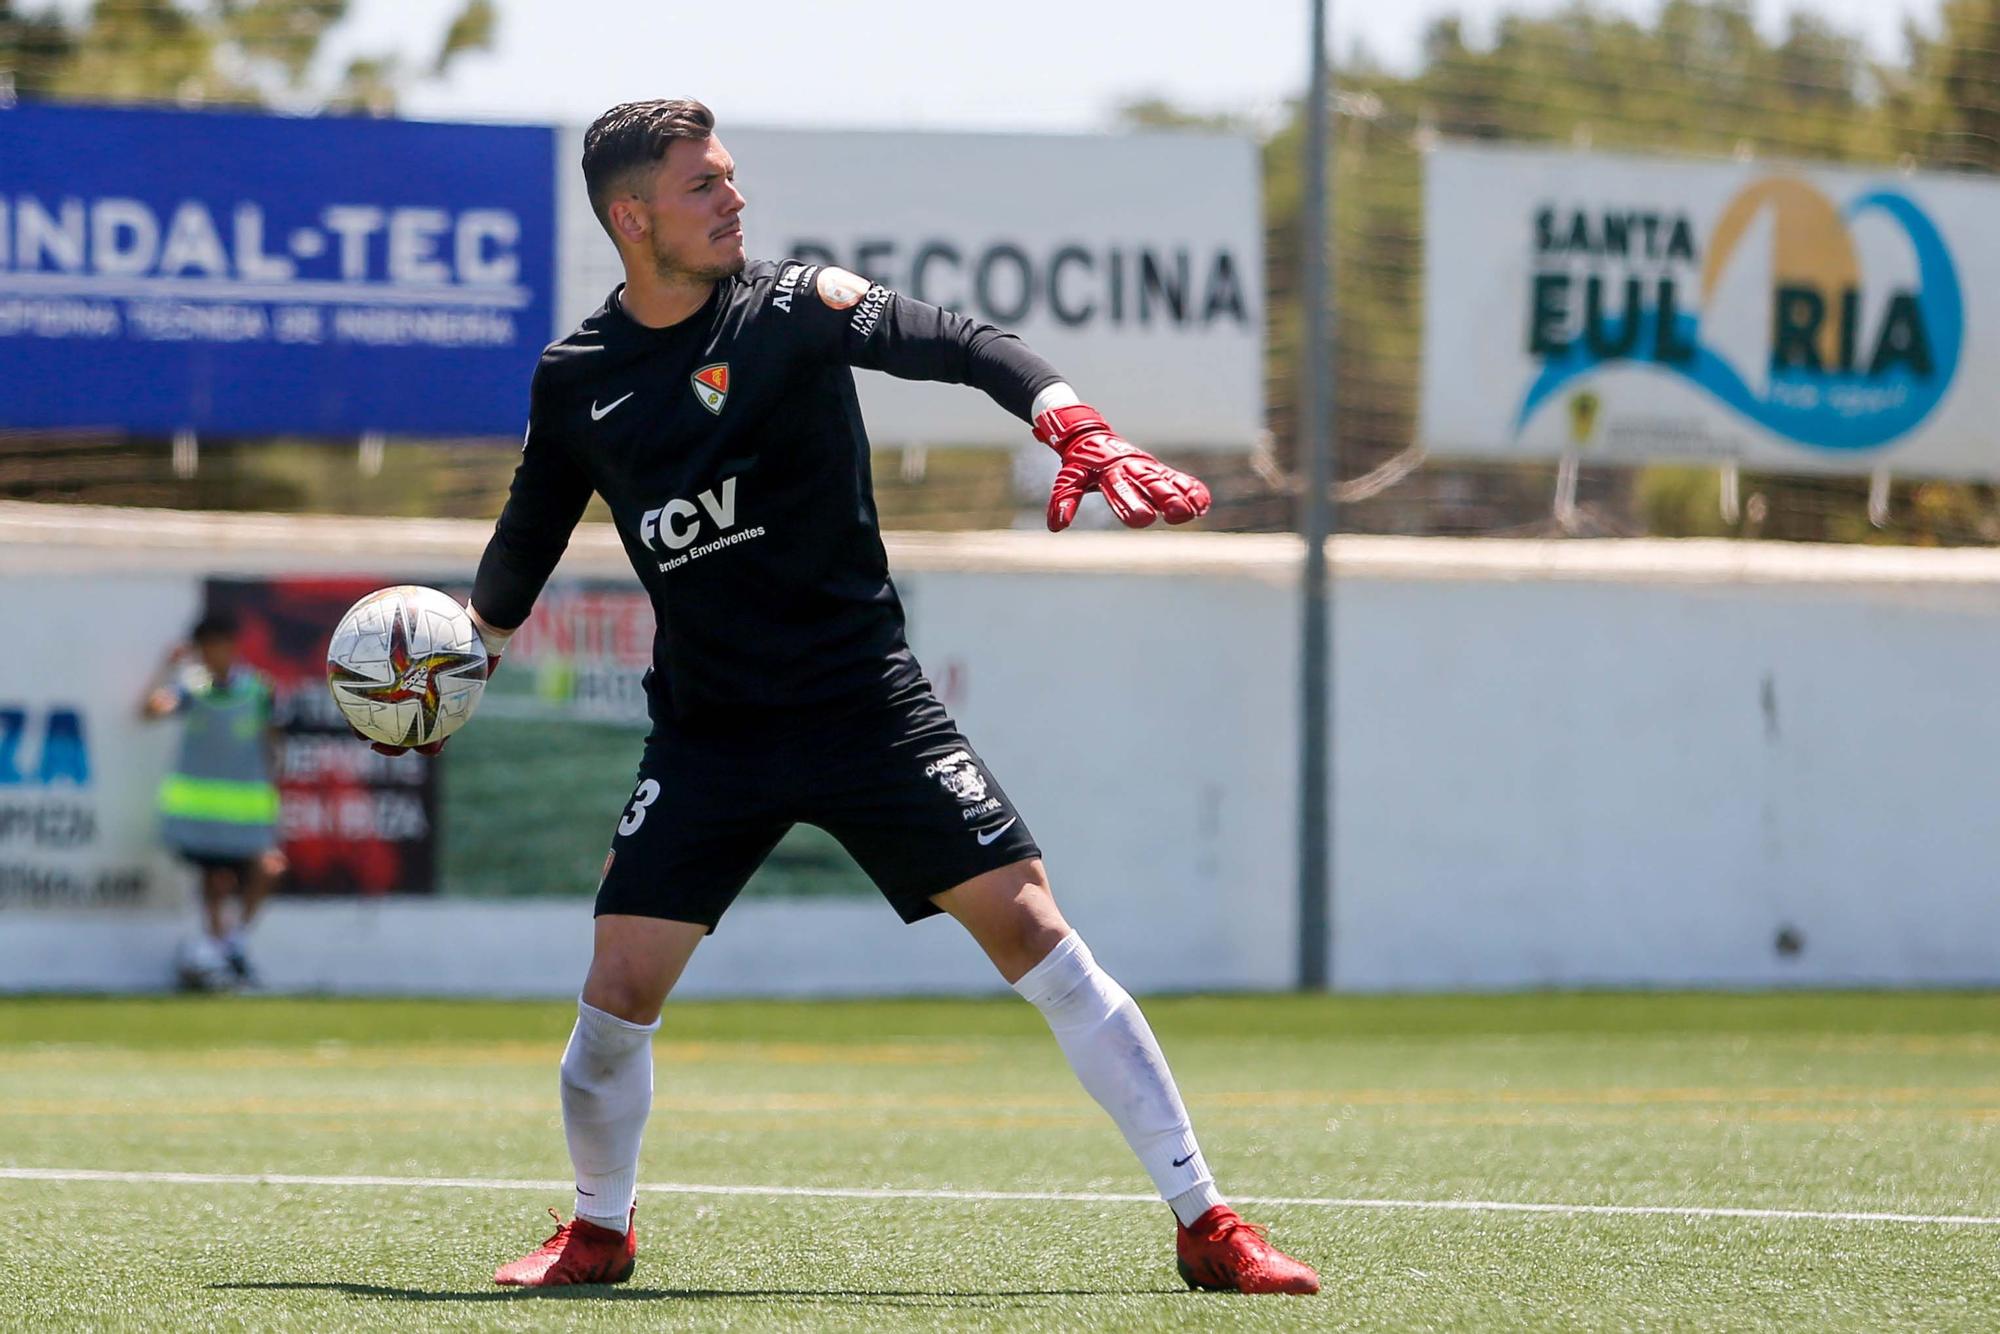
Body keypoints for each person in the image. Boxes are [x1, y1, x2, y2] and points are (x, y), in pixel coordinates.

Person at [370, 99, 1318, 1296]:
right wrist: (464, 654)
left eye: (730, 178)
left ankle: (1207, 1222)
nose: (733, 200)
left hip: (864, 707)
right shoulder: (578, 379)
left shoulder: (791, 308)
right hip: (709, 734)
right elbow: (526, 538)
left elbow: (958, 338)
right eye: (703, 184)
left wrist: (1070, 419)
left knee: (1034, 929)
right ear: (632, 215)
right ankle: (598, 1230)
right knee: (616, 987)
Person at [142, 611, 286, 986]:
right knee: (215, 881)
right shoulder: (191, 689)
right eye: (204, 649)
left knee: (269, 868)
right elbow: (150, 710)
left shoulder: (258, 689)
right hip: (202, 814)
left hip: (248, 812)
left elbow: (272, 743)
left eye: (217, 647)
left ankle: (226, 948)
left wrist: (273, 784)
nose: (212, 655)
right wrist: (165, 669)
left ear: (231, 647)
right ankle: (217, 957)